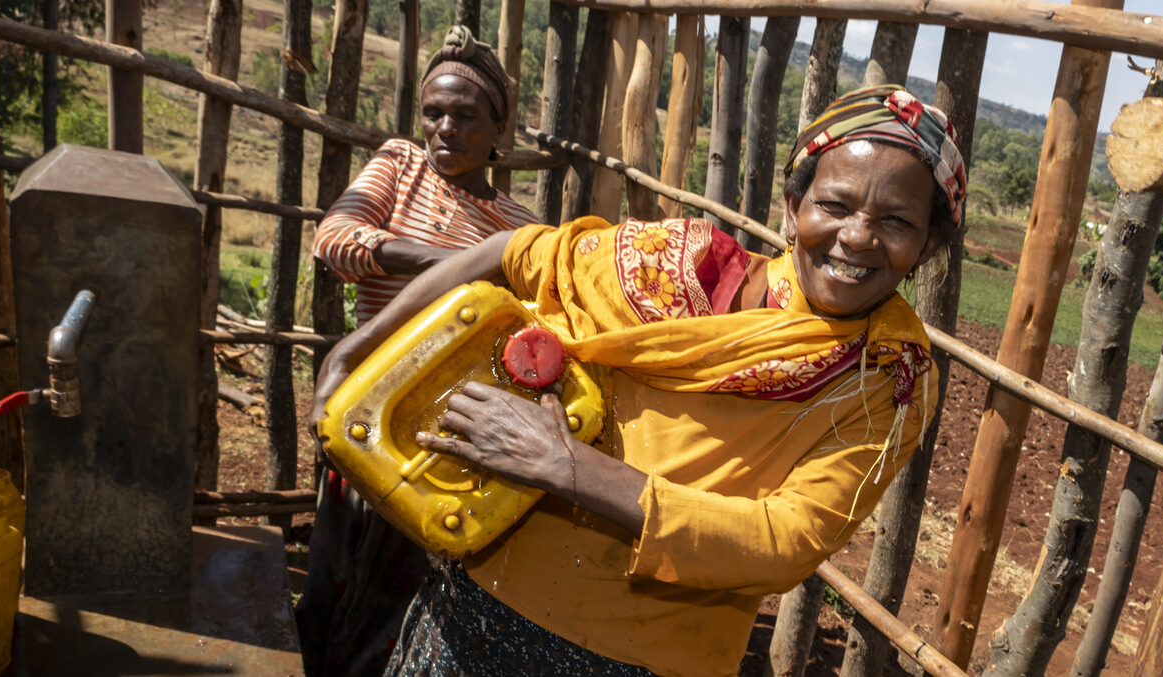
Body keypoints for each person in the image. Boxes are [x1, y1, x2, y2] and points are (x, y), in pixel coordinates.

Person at [312, 84, 966, 677]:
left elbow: (786, 541)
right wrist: (353, 350)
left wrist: (566, 466)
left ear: (928, 246)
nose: (857, 237)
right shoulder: (680, 266)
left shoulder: (886, 375)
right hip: (475, 609)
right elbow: (505, 254)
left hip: (648, 659)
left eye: (897, 222)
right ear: (794, 206)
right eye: (835, 203)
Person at [298, 25, 536, 677]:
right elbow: (335, 239)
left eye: (465, 115)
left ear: (499, 128)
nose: (444, 129)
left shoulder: (520, 229)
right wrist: (458, 265)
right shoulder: (400, 166)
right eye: (433, 112)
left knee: (401, 602)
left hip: (446, 437)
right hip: (362, 414)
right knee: (329, 582)